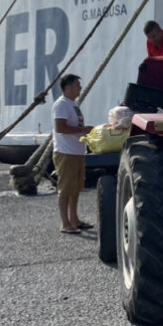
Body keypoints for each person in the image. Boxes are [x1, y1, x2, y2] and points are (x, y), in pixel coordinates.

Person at [52, 74, 95, 234]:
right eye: (77, 85)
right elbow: (60, 128)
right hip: (66, 152)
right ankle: (65, 223)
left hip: (76, 151)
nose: (80, 88)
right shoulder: (62, 104)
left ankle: (74, 219)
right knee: (65, 188)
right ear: (68, 88)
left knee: (75, 188)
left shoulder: (72, 104)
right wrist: (84, 130)